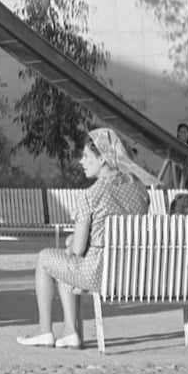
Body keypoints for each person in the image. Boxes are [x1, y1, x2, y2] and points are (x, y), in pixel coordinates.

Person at [16, 127, 155, 349]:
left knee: (47, 258)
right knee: (65, 261)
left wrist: (73, 241)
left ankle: (45, 330)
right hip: (131, 272)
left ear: (102, 159)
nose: (81, 161)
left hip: (99, 272)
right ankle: (71, 332)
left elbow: (78, 250)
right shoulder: (140, 191)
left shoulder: (91, 195)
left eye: (86, 156)